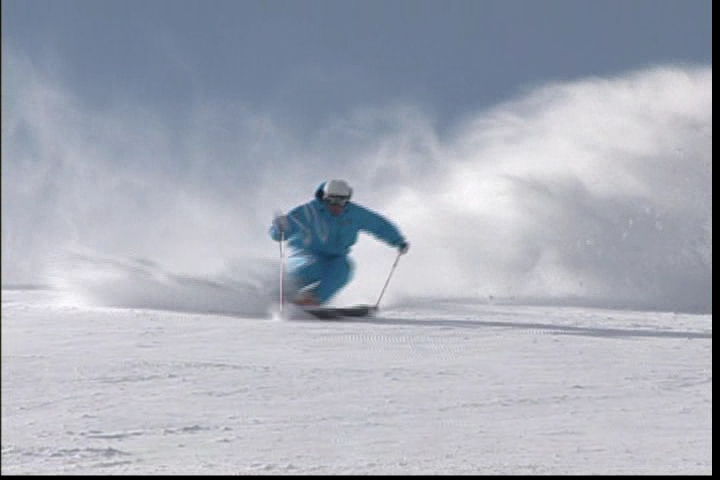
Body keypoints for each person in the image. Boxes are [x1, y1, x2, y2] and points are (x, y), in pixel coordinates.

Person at [269, 179, 409, 306]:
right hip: (306, 255)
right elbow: (282, 232)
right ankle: (281, 293)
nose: (335, 206)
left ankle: (312, 299)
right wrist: (280, 228)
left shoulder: (354, 214)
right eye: (331, 201)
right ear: (324, 198)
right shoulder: (308, 212)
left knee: (343, 269)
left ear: (347, 200)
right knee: (312, 268)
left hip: (336, 257)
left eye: (341, 202)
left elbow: (378, 225)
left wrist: (398, 241)